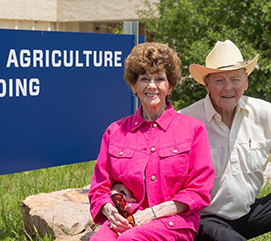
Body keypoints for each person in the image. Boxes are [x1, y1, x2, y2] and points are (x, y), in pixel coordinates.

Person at [88, 42, 215, 241]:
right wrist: (110, 211)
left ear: (170, 86)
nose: (152, 85)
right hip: (126, 219)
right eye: (144, 78)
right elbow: (99, 188)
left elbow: (199, 190)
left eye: (159, 79)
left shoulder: (193, 129)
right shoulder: (115, 132)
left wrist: (153, 213)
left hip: (174, 221)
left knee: (131, 239)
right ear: (134, 85)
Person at [180, 40, 271, 241]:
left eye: (235, 79)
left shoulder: (265, 113)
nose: (228, 87)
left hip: (247, 213)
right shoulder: (185, 121)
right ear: (207, 84)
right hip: (205, 219)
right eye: (220, 80)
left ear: (246, 81)